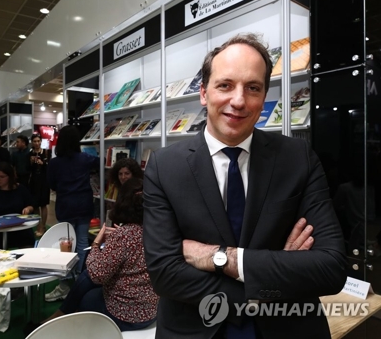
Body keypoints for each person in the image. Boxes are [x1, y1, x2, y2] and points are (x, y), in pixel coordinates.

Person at [143, 33, 348, 339]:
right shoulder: (164, 167)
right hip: (195, 327)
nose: (238, 101)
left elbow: (330, 268)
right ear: (203, 93)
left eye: (252, 88)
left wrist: (219, 257)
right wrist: (277, 272)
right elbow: (165, 274)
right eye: (225, 85)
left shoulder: (298, 158)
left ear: (264, 95)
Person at [31, 178, 158, 334]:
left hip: (126, 316)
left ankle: (60, 322)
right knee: (87, 280)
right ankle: (58, 318)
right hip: (151, 310)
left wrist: (97, 244)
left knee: (87, 293)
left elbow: (97, 274)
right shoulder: (158, 231)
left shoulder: (124, 236)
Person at [45, 125, 100, 301]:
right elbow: (99, 164)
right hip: (83, 204)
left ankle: (65, 282)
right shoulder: (85, 158)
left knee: (66, 244)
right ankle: (78, 278)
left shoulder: (54, 163)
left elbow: (52, 185)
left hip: (65, 205)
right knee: (83, 241)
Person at [28, 134, 51, 237]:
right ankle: (38, 226)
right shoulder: (30, 154)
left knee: (44, 204)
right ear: (32, 142)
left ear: (41, 141)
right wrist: (31, 162)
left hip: (44, 180)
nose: (37, 143)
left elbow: (50, 167)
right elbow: (27, 169)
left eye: (38, 141)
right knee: (35, 205)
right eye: (35, 141)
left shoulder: (46, 152)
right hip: (34, 181)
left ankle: (43, 226)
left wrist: (43, 163)